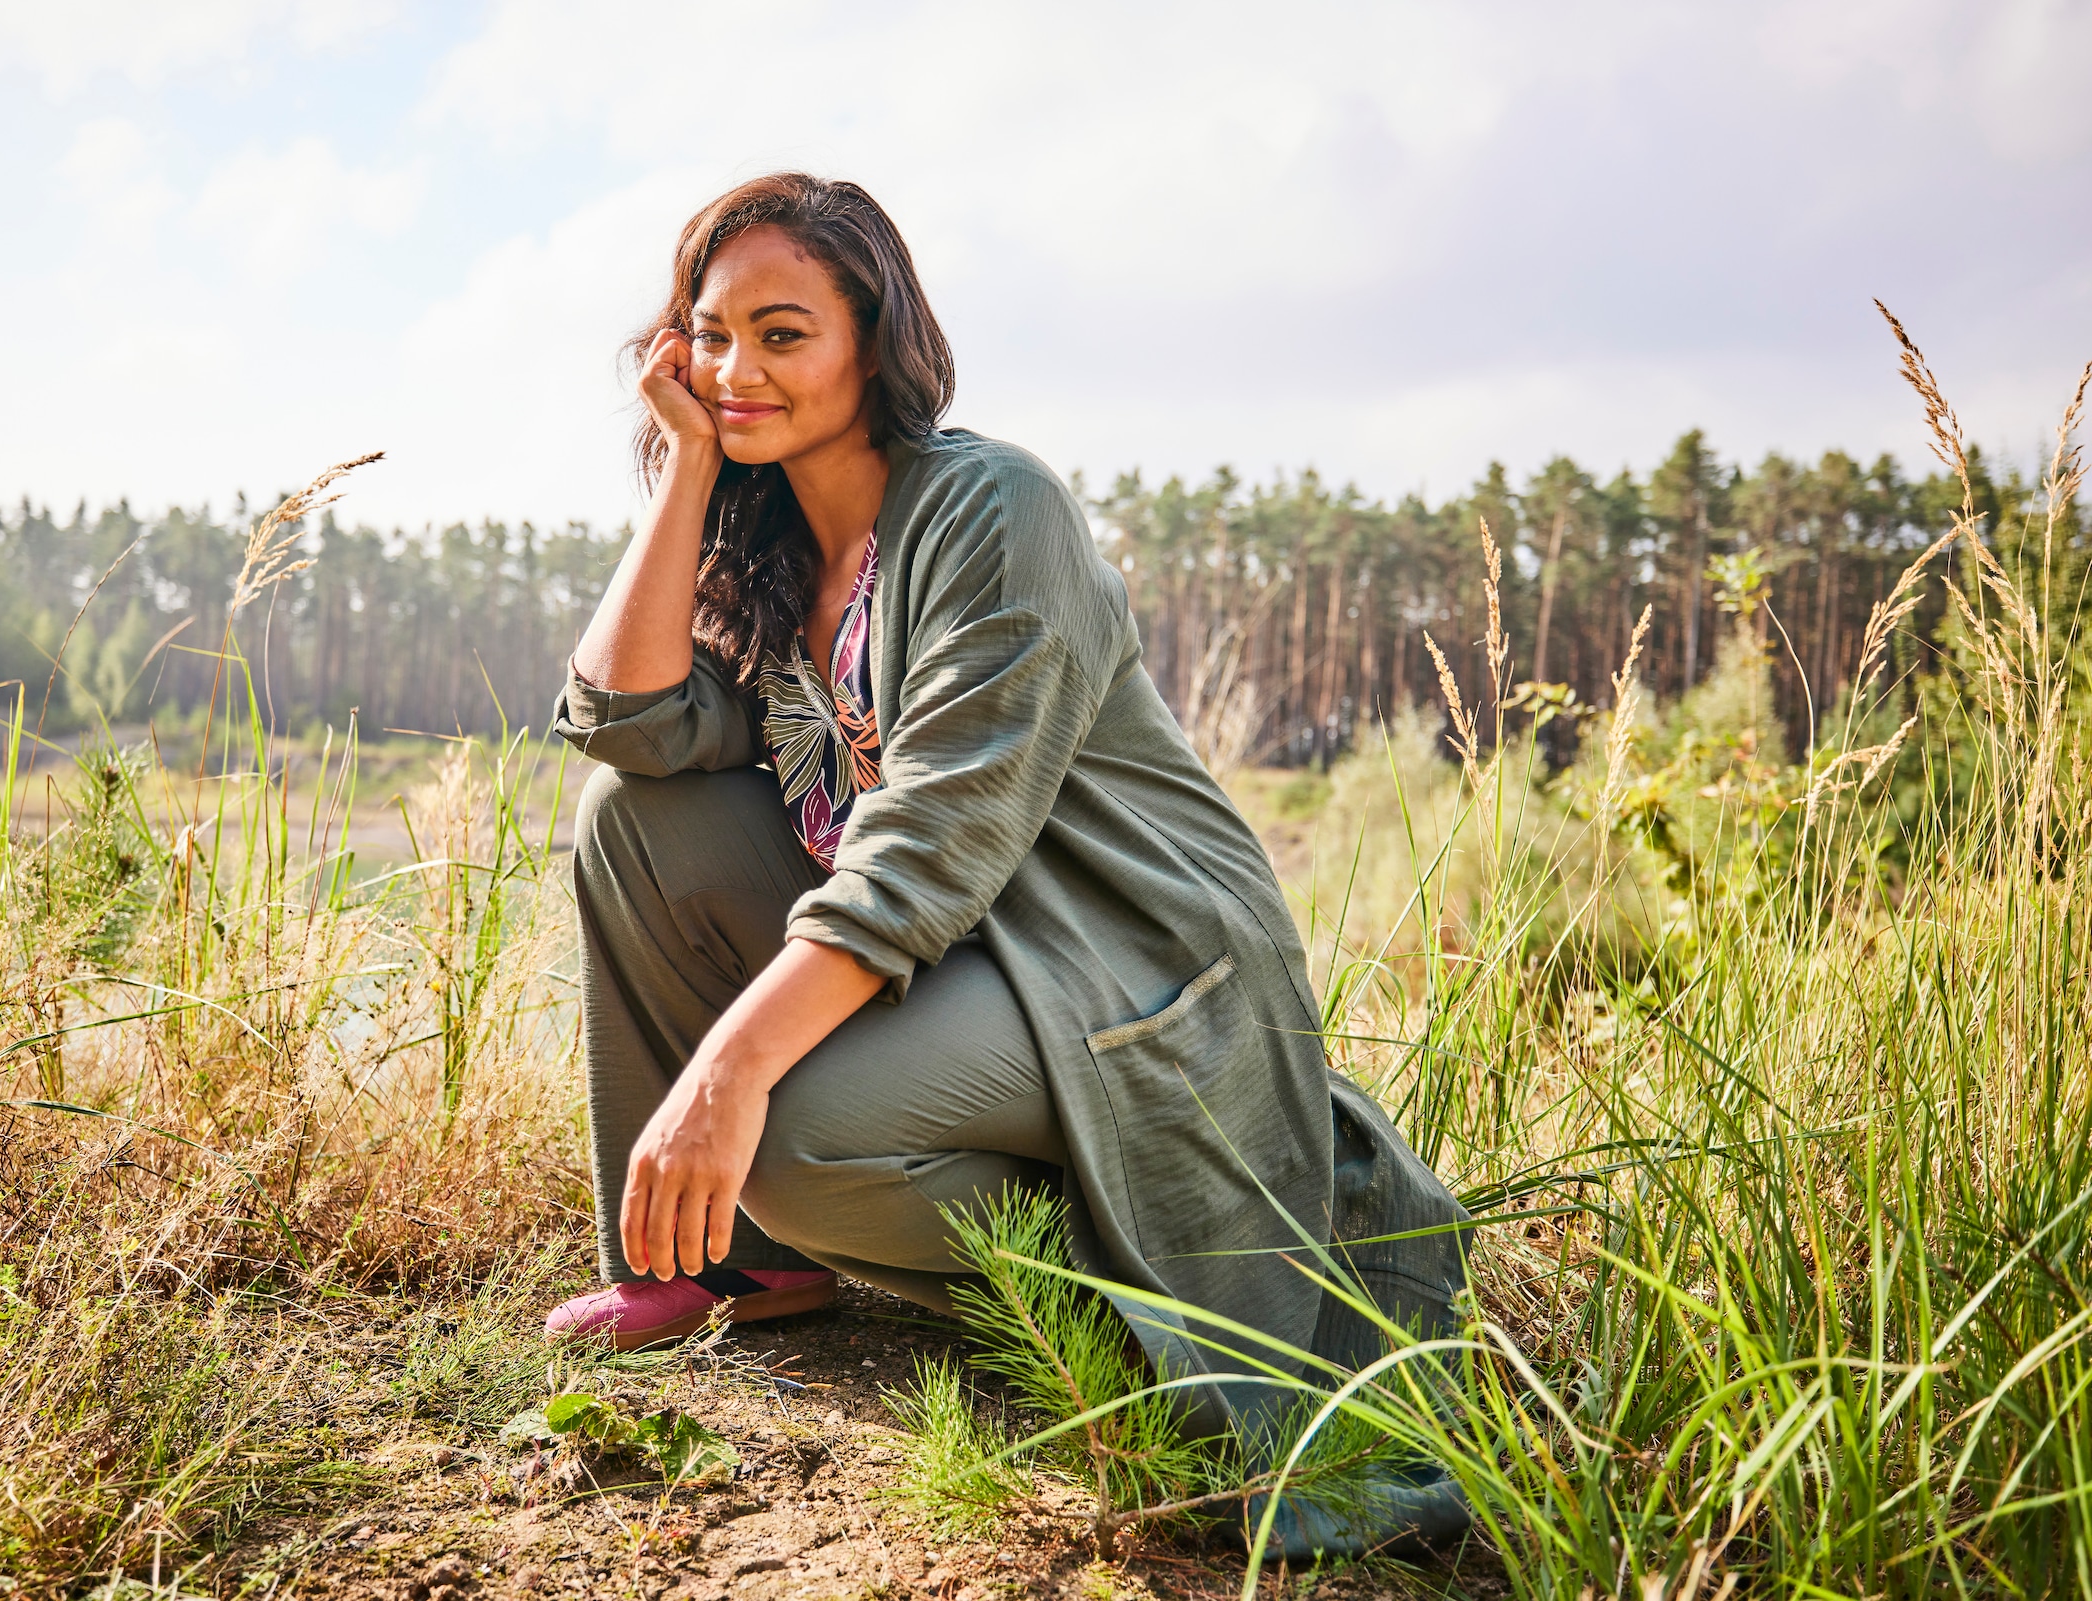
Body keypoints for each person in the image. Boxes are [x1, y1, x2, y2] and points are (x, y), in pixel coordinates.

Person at [545, 175, 1469, 1541]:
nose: (739, 370)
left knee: (785, 1139)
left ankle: (1156, 1298)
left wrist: (727, 1078)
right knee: (627, 821)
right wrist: (689, 462)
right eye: (712, 334)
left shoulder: (991, 509)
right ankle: (727, 1267)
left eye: (784, 334)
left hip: (1119, 964)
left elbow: (930, 844)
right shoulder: (779, 546)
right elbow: (621, 721)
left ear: (876, 340)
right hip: (968, 954)